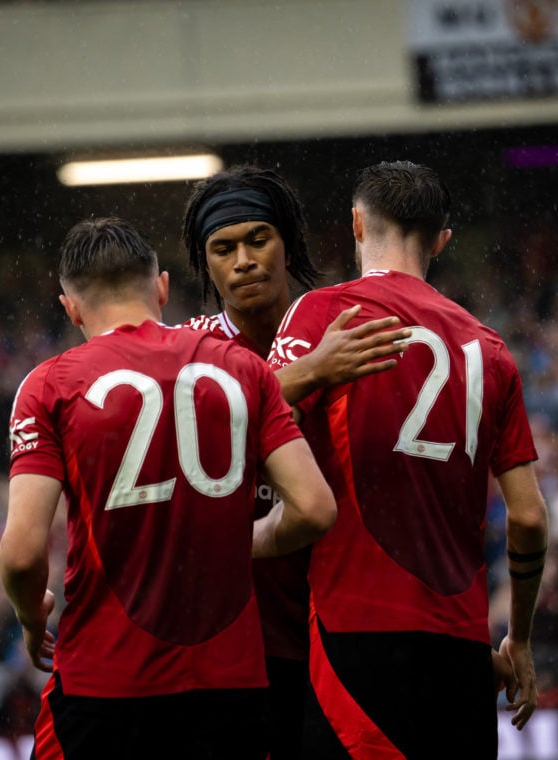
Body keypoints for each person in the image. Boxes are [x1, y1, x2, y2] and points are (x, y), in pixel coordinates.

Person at [0, 216, 337, 759]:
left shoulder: (49, 386)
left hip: (106, 683)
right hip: (231, 686)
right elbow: (316, 508)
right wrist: (246, 542)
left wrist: (29, 612)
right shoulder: (243, 369)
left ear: (71, 308)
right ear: (161, 288)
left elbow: (19, 556)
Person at [268, 161, 549, 758]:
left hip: (354, 630)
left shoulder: (325, 316)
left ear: (356, 223)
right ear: (442, 240)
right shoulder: (490, 349)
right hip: (460, 647)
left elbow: (252, 428)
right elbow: (528, 518)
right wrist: (517, 640)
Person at [181, 164, 411, 759]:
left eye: (259, 239)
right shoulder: (187, 352)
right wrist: (311, 373)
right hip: (224, 636)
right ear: (205, 263)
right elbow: (200, 437)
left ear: (289, 244)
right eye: (223, 248)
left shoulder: (341, 328)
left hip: (331, 627)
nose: (244, 260)